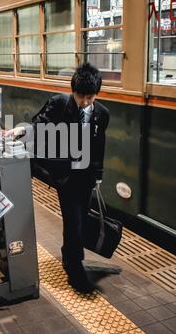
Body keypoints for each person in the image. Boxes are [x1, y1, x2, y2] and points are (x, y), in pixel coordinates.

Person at [8, 63, 110, 293]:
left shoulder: (102, 114)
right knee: (73, 222)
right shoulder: (59, 104)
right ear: (72, 90)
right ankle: (75, 270)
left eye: (90, 97)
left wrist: (98, 176)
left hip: (86, 177)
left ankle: (69, 255)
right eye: (80, 96)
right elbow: (39, 124)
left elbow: (99, 147)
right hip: (65, 175)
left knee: (80, 220)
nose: (84, 102)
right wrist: (19, 131)